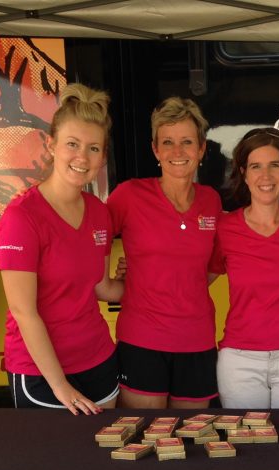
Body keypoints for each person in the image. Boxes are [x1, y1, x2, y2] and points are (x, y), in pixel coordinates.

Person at [0, 83, 122, 414]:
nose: (82, 157)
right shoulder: (22, 217)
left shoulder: (98, 211)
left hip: (98, 359)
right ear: (51, 145)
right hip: (42, 372)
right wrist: (59, 385)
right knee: (57, 462)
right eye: (72, 144)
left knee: (105, 457)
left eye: (94, 148)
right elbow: (24, 311)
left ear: (103, 156)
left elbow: (101, 287)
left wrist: (145, 280)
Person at [106, 97, 220, 410]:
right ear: (155, 149)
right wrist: (112, 282)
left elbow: (209, 268)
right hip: (142, 339)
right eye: (167, 142)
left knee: (191, 441)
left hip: (196, 340)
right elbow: (90, 236)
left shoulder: (212, 201)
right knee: (145, 439)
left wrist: (170, 279)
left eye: (186, 142)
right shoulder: (129, 195)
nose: (177, 152)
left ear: (201, 149)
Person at [209, 127, 279, 408]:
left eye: (274, 165)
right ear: (244, 173)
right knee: (247, 448)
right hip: (239, 360)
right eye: (256, 166)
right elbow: (195, 279)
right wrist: (138, 270)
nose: (265, 176)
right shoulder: (225, 227)